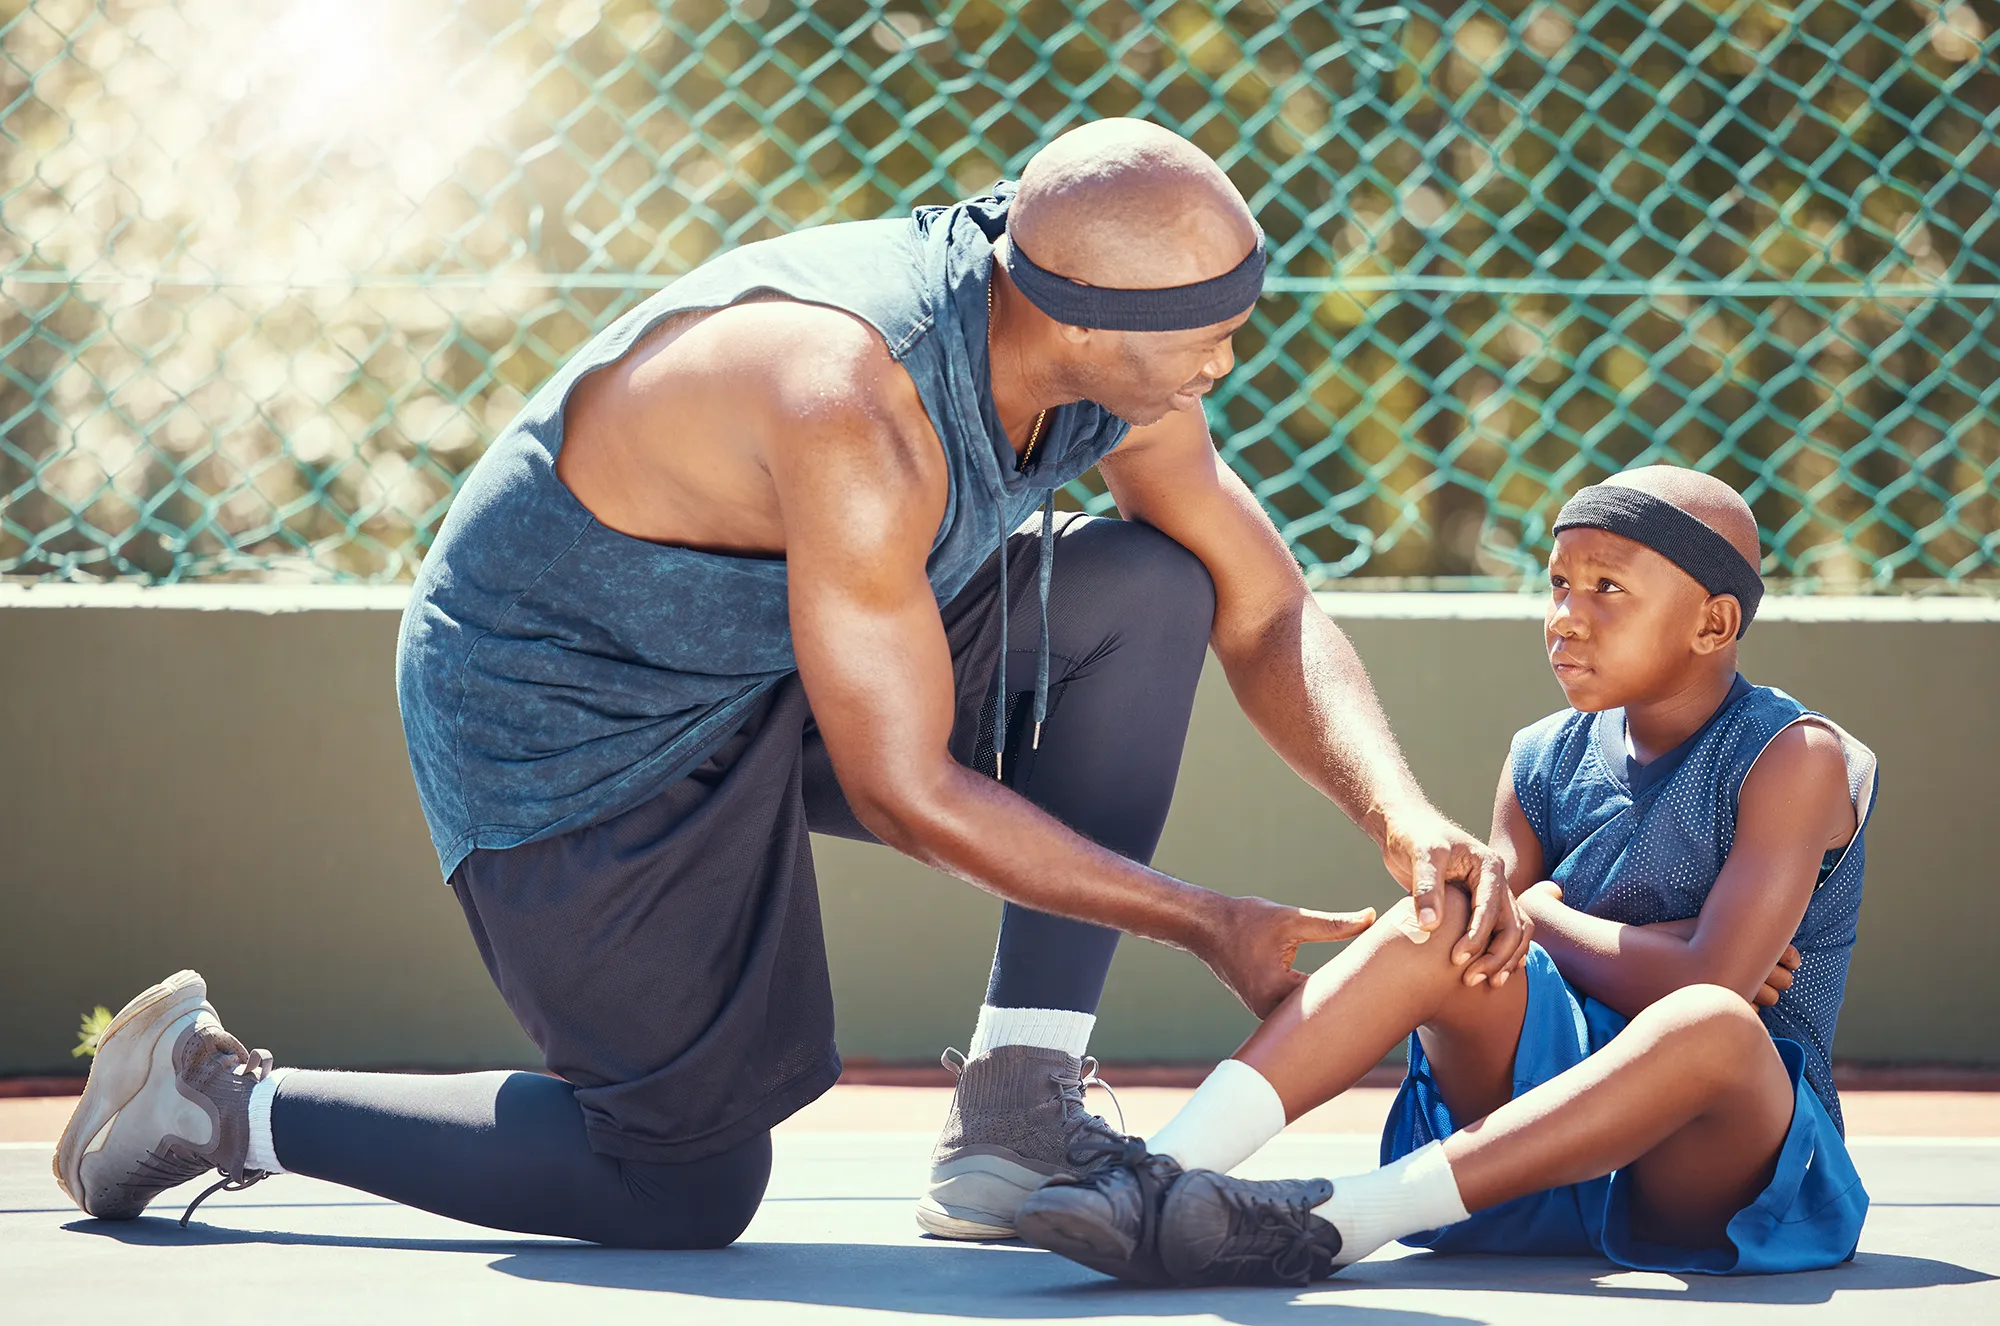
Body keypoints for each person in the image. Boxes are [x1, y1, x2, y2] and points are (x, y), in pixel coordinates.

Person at [52, 120, 1521, 1248]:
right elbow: (909, 785)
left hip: (776, 649)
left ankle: (1017, 1115)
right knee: (679, 1177)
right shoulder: (856, 399)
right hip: (572, 711)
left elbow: (1265, 608)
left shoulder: (1107, 370)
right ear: (1072, 313)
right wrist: (1217, 924)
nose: (1230, 347)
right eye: (1204, 320)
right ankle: (219, 1094)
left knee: (1148, 588)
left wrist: (1403, 818)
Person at [1017, 465, 1877, 1286]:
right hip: (1524, 1147)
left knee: (1711, 1023)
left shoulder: (1790, 756)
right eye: (1557, 585)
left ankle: (1332, 1220)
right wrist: (1588, 931)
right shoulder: (1541, 756)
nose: (1566, 617)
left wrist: (1544, 912)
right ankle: (1153, 1174)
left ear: (1713, 625)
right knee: (1452, 916)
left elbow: (1706, 979)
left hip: (1709, 1169)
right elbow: (1493, 943)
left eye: (1607, 589)